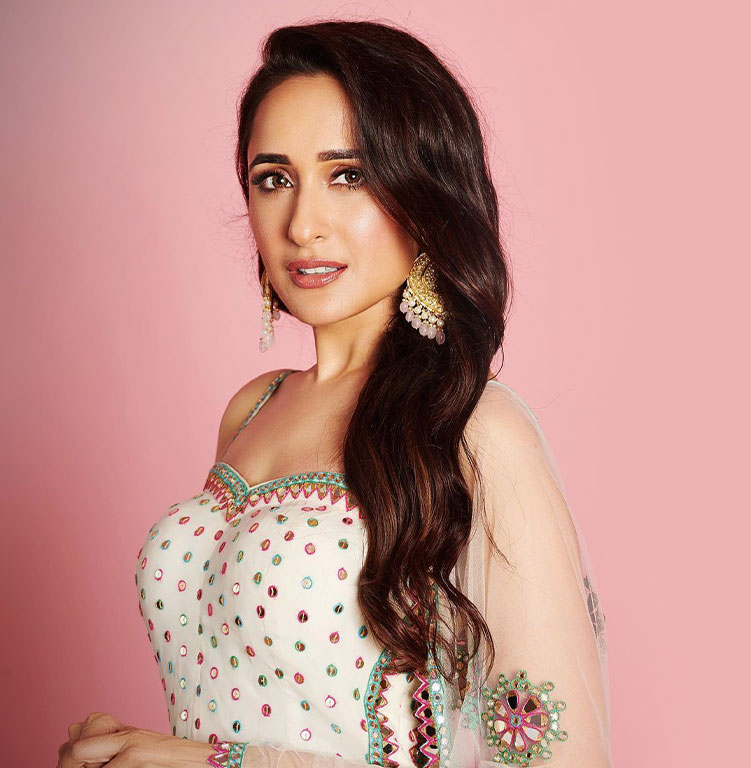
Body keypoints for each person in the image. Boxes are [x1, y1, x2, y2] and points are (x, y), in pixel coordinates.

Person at [57, 20, 611, 768]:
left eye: (348, 175)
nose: (302, 224)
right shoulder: (252, 410)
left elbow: (559, 759)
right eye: (273, 179)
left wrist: (214, 764)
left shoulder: (472, 427)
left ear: (424, 197)